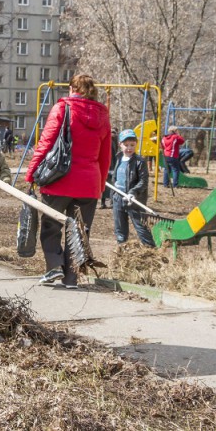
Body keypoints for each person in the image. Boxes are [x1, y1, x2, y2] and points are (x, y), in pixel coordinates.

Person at [25, 74, 111, 289]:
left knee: (50, 226)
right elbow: (106, 155)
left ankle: (54, 267)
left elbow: (46, 142)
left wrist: (32, 172)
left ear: (73, 88)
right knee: (79, 231)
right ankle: (71, 278)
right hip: (89, 183)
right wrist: (100, 185)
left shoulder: (63, 108)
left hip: (59, 180)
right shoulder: (103, 115)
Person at [111, 129, 155, 247]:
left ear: (136, 144)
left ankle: (150, 250)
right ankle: (122, 249)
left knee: (141, 227)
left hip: (134, 200)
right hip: (118, 198)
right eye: (126, 145)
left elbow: (143, 181)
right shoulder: (118, 158)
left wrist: (133, 192)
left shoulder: (140, 161)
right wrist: (113, 183)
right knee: (120, 228)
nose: (129, 148)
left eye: (132, 145)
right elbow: (114, 175)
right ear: (120, 144)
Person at [100, 127, 119, 209]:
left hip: (111, 166)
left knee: (112, 184)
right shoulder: (107, 141)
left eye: (114, 133)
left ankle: (110, 202)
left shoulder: (113, 142)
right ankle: (103, 202)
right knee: (106, 185)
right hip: (107, 166)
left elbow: (114, 156)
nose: (113, 134)